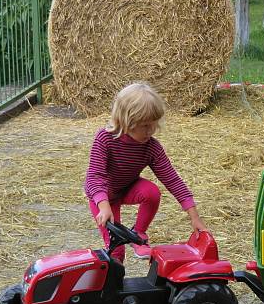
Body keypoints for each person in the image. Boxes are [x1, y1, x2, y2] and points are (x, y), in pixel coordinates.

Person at [84, 82, 207, 262]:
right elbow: (95, 176)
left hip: (126, 188)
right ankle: (112, 286)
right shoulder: (105, 139)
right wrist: (103, 205)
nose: (151, 131)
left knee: (152, 192)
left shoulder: (151, 148)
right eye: (144, 126)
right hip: (102, 197)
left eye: (153, 124)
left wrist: (194, 217)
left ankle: (139, 233)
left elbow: (172, 180)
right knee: (116, 250)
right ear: (126, 121)